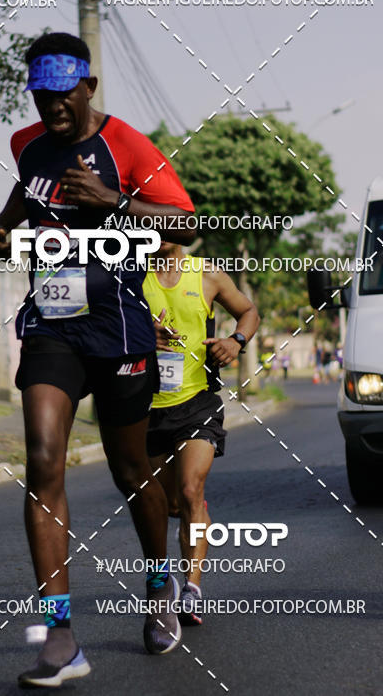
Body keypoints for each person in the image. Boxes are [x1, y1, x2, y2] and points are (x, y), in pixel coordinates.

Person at [0, 32, 196, 686]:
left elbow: (187, 224)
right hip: (53, 325)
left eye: (63, 95)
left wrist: (115, 202)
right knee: (43, 460)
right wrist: (3, 227)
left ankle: (160, 586)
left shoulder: (126, 145)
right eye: (41, 95)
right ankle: (60, 638)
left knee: (132, 470)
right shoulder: (27, 145)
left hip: (120, 328)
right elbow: (24, 197)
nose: (52, 106)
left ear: (88, 88)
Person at [143, 241, 259, 625]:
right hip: (147, 406)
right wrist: (142, 334)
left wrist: (235, 341)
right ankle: (191, 527)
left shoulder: (206, 273)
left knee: (191, 489)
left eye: (169, 221)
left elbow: (248, 311)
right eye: (151, 221)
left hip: (197, 401)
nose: (159, 230)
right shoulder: (129, 274)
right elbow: (105, 325)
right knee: (171, 505)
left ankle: (191, 588)